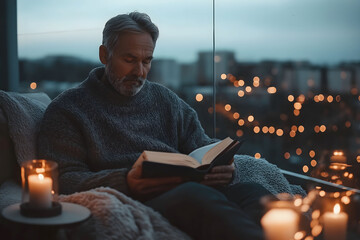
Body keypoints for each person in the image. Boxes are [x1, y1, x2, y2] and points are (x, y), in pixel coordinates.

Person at [38, 12, 273, 240]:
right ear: (104, 54)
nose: (139, 72)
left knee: (254, 193)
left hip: (190, 191)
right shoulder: (68, 109)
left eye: (146, 61)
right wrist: (126, 180)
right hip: (136, 199)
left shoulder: (166, 100)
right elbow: (63, 179)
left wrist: (225, 167)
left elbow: (201, 147)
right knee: (193, 197)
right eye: (129, 60)